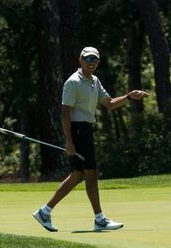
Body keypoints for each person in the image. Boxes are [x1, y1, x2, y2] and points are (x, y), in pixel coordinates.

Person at [32, 46, 149, 232]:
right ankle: (99, 219)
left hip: (86, 130)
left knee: (78, 175)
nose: (91, 62)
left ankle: (45, 211)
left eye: (94, 59)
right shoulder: (73, 82)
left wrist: (129, 97)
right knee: (91, 173)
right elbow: (65, 113)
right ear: (80, 60)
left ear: (98, 61)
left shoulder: (95, 81)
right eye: (87, 59)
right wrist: (69, 141)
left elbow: (109, 104)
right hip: (78, 131)